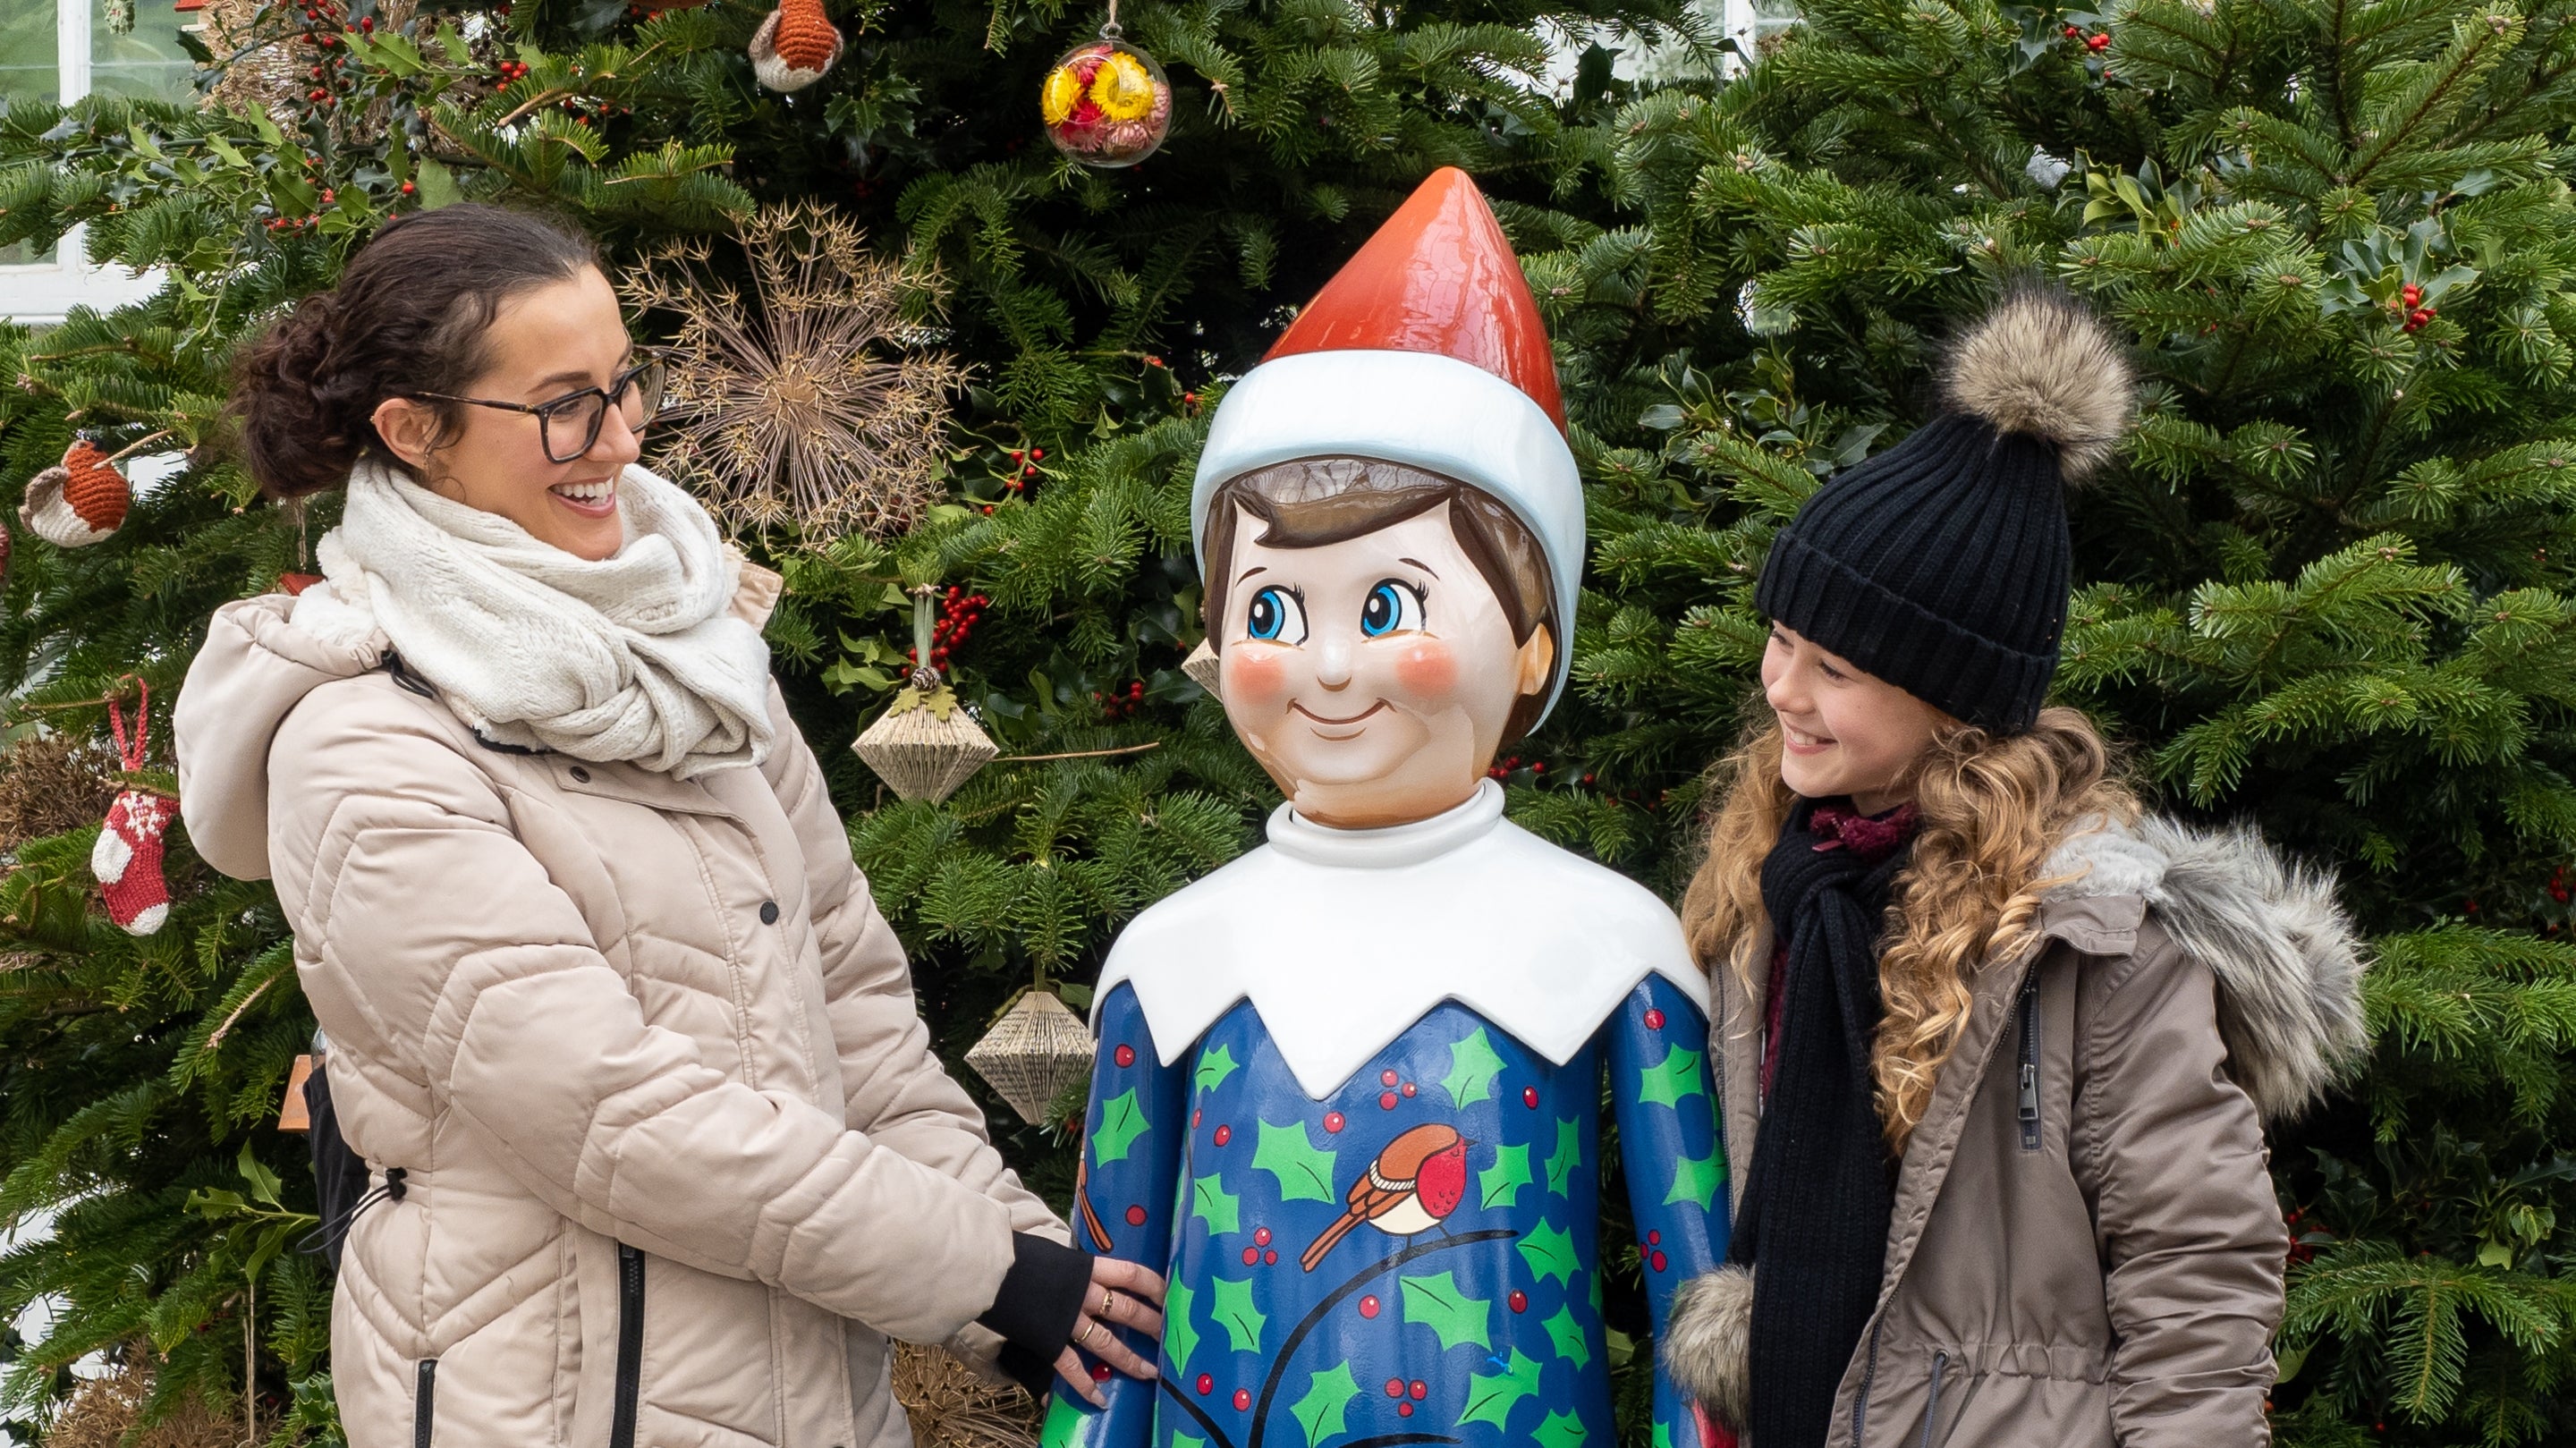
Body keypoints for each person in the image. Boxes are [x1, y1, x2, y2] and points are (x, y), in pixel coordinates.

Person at [173, 203, 1162, 1448]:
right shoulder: (366, 746)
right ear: (414, 433)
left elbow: (858, 1021)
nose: (623, 439)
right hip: (555, 1405)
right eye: (566, 405)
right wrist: (984, 1274)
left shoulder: (695, 669)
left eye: (626, 386)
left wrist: (1028, 1272)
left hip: (819, 1401)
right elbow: (616, 1121)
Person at [1043, 168, 1725, 1448]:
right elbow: (1108, 1331)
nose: (1328, 667)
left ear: (1531, 646)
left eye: (1387, 607)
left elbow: (1707, 1326)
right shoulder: (1172, 959)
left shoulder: (1616, 950)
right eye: (1269, 612)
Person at [1659, 288, 2370, 1448]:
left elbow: (2197, 1271)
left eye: (1832, 665)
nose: (1782, 687)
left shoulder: (2093, 943)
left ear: (1951, 704)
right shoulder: (1781, 883)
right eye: (1782, 637)